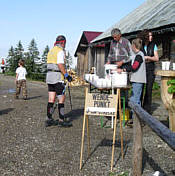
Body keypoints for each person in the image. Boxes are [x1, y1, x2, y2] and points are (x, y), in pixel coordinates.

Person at [45, 35, 73, 127]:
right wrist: (66, 75)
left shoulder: (51, 51)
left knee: (51, 99)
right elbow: (60, 65)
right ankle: (61, 120)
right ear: (63, 42)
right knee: (61, 98)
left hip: (49, 77)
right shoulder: (60, 51)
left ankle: (48, 119)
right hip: (57, 77)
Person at [117, 38, 146, 123]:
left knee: (135, 100)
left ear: (134, 45)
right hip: (136, 80)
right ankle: (136, 119)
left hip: (138, 80)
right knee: (134, 99)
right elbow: (129, 59)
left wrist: (123, 70)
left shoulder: (139, 56)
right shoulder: (136, 54)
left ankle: (137, 120)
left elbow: (134, 67)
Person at [107, 28, 134, 107]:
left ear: (120, 35)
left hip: (124, 65)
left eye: (115, 37)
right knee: (114, 85)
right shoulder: (112, 42)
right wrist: (108, 61)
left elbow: (131, 56)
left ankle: (124, 105)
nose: (114, 38)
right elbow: (110, 53)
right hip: (115, 65)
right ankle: (116, 106)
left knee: (123, 86)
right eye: (113, 37)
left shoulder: (126, 42)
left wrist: (122, 62)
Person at [138, 29, 159, 114]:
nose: (151, 37)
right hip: (141, 70)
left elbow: (156, 58)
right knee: (140, 90)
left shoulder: (153, 45)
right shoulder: (140, 45)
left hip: (150, 70)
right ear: (145, 36)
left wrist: (148, 58)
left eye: (151, 35)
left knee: (149, 90)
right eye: (149, 35)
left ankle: (147, 111)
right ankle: (139, 110)